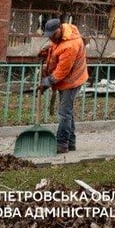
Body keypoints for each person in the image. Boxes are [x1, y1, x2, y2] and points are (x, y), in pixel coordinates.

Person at [39, 18, 89, 154]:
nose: (51, 39)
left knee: (64, 113)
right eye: (49, 37)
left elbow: (61, 71)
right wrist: (47, 51)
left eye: (53, 35)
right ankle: (70, 143)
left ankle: (61, 144)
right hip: (66, 79)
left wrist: (46, 82)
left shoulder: (71, 45)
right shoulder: (62, 36)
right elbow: (56, 48)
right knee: (67, 112)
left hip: (72, 81)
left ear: (59, 29)